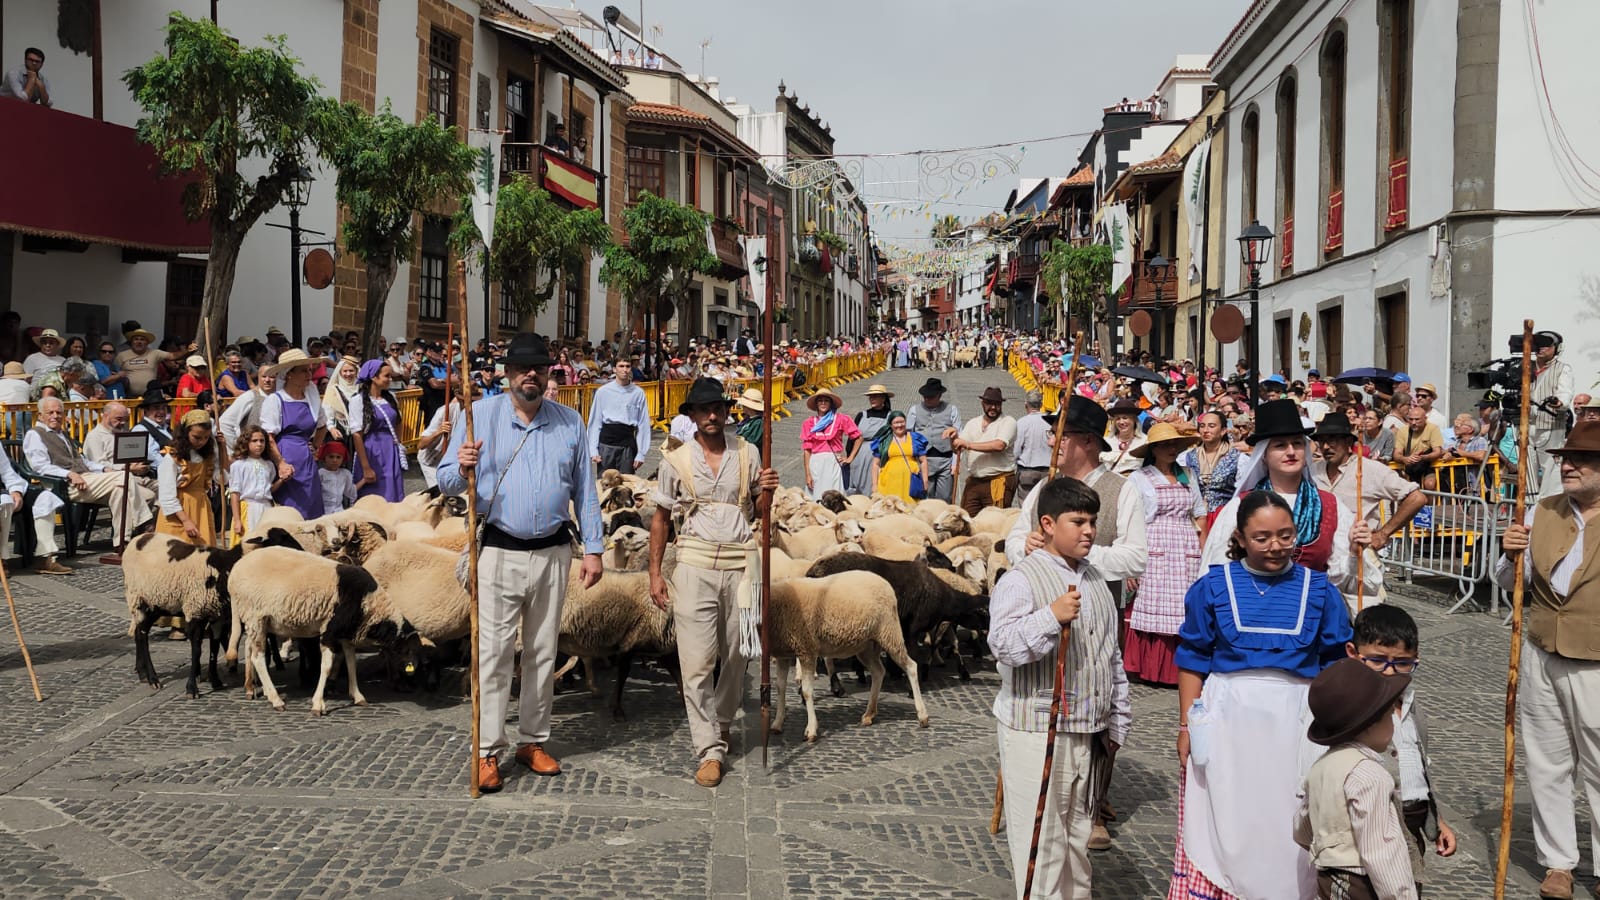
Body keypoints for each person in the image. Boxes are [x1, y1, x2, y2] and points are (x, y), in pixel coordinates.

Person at [438, 332, 604, 793]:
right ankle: (487, 749)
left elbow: (585, 491)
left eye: (539, 368)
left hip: (553, 551)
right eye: (521, 368)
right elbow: (446, 479)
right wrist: (463, 465)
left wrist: (594, 548)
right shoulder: (477, 416)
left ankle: (532, 740)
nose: (530, 375)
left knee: (542, 652)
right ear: (506, 373)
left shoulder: (569, 422)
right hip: (499, 550)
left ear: (549, 374)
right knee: (491, 653)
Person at [1168, 491, 1355, 900]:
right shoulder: (1212, 587)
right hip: (1227, 714)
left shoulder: (1320, 590)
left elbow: (1335, 662)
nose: (1276, 546)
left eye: (1286, 536)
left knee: (1288, 812)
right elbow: (1194, 657)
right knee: (1229, 812)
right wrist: (1187, 723)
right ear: (1240, 537)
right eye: (1263, 537)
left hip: (1296, 718)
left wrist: (1338, 727)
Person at [989, 477, 1131, 899]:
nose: (1089, 531)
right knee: (1043, 839)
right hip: (1036, 727)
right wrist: (1050, 617)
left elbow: (1111, 655)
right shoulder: (1022, 580)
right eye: (1079, 522)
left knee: (1077, 838)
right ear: (1048, 524)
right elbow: (1004, 646)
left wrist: (1117, 718)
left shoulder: (1095, 581)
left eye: (1093, 521)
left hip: (1087, 727)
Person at [648, 377, 779, 788]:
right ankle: (708, 748)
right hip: (695, 563)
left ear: (726, 412)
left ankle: (723, 719)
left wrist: (768, 492)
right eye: (702, 410)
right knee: (697, 660)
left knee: (739, 650)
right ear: (691, 415)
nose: (711, 416)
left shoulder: (748, 453)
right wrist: (655, 572)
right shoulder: (676, 460)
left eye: (717, 409)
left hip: (741, 562)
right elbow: (661, 518)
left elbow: (757, 509)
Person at [1495, 419, 1600, 900]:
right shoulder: (1542, 511)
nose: (1568, 465)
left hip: (1596, 660)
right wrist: (1508, 553)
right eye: (1565, 458)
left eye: (1581, 459)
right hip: (1541, 651)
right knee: (1547, 762)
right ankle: (1558, 863)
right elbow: (1507, 581)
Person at [1203, 400, 1379, 596]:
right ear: (1264, 455)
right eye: (1280, 445)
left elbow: (1359, 585)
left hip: (1312, 615)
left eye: (1297, 443)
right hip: (1253, 613)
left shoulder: (1329, 505)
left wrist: (1355, 553)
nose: (1291, 452)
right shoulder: (1241, 506)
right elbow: (1215, 573)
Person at [1344, 605, 1458, 888]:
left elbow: (1420, 768)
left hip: (1412, 821)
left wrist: (1437, 821)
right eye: (1378, 660)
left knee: (1408, 886)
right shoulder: (1348, 709)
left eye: (1402, 663)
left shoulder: (1411, 705)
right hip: (1370, 823)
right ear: (1353, 655)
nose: (1390, 671)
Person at [1292, 658, 1417, 900]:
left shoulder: (1320, 768)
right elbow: (1381, 850)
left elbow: (1302, 829)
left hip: (1328, 879)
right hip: (1363, 883)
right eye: (1390, 715)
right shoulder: (1370, 775)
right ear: (1370, 725)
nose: (1394, 722)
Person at [23, 396, 155, 573]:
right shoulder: (35, 435)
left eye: (59, 412)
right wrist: (69, 473)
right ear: (40, 415)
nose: (55, 416)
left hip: (86, 478)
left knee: (120, 490)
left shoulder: (62, 434)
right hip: (64, 485)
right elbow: (40, 466)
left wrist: (104, 469)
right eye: (51, 413)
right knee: (124, 477)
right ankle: (145, 523)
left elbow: (83, 461)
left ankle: (121, 543)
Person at [1124, 423, 1207, 687]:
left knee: (1184, 604)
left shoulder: (1188, 474)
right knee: (1155, 601)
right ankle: (1151, 667)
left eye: (1174, 444)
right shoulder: (1140, 478)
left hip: (1185, 545)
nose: (1170, 449)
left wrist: (1201, 545)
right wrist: (1131, 563)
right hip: (1154, 542)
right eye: (1164, 445)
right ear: (1153, 449)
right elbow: (1131, 519)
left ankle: (1181, 667)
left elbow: (1200, 511)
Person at [1312, 412, 1426, 600]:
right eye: (1321, 441)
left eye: (1332, 440)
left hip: (1358, 557)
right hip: (1320, 559)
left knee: (1362, 615)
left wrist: (1383, 534)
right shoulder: (1313, 471)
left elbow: (1417, 498)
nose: (1326, 446)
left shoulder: (1370, 469)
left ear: (1348, 442)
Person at [259, 350, 327, 518]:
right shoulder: (275, 400)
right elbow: (269, 437)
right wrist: (281, 463)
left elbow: (323, 425)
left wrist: (315, 446)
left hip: (306, 459)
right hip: (285, 455)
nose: (309, 374)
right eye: (303, 371)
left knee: (310, 503)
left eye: (310, 370)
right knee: (289, 507)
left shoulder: (311, 398)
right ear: (289, 375)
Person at [348, 360, 407, 503]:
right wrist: (366, 467)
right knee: (373, 494)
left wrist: (397, 443)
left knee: (391, 491)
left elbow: (398, 422)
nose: (390, 379)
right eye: (387, 376)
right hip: (371, 450)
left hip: (390, 450)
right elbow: (357, 434)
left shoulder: (391, 398)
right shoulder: (358, 401)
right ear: (374, 377)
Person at [954, 386, 1018, 515]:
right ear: (983, 403)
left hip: (998, 480)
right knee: (967, 521)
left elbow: (999, 445)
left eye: (997, 404)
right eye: (989, 403)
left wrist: (968, 444)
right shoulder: (973, 422)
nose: (993, 407)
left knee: (994, 524)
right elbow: (958, 448)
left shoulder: (1008, 422)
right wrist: (954, 439)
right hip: (975, 481)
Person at [586, 360, 650, 475]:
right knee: (605, 484)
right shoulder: (603, 392)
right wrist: (593, 449)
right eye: (621, 366)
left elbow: (643, 424)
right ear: (614, 369)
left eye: (627, 366)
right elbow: (595, 421)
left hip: (627, 445)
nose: (624, 370)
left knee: (626, 485)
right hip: (606, 444)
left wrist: (641, 453)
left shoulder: (638, 393)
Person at [415, 378, 476, 490]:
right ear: (459, 399)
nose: (471, 404)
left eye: (474, 401)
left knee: (457, 491)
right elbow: (421, 445)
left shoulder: (476, 414)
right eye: (469, 401)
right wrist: (439, 431)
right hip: (432, 460)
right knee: (441, 492)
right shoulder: (445, 412)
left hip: (452, 459)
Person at [799, 388, 860, 499]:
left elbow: (858, 437)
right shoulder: (808, 423)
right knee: (816, 497)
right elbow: (807, 450)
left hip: (833, 462)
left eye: (826, 400)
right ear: (816, 404)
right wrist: (808, 474)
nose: (823, 403)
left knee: (835, 496)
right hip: (816, 462)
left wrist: (850, 458)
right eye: (820, 401)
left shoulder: (841, 419)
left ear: (831, 403)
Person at [907, 378, 960, 502]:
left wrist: (955, 463)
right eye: (925, 396)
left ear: (939, 395)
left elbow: (958, 437)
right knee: (925, 496)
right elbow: (909, 435)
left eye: (931, 397)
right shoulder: (914, 410)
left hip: (945, 459)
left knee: (945, 498)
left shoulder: (952, 409)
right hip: (924, 459)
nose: (927, 399)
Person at [1179, 410, 1241, 515]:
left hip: (1225, 514)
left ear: (1223, 431)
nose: (1205, 430)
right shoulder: (1187, 457)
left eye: (1211, 426)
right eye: (1202, 426)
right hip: (1197, 515)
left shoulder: (1237, 457)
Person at [228, 426, 278, 542]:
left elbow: (269, 489)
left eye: (262, 441)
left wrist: (281, 480)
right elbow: (235, 494)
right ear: (246, 443)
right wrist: (237, 520)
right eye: (254, 441)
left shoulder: (269, 465)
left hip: (266, 508)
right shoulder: (239, 465)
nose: (259, 444)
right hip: (248, 508)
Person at [869, 411, 927, 502]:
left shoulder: (915, 438)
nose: (899, 425)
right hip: (889, 480)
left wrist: (925, 481)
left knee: (911, 507)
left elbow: (923, 461)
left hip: (910, 481)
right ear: (891, 425)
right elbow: (875, 464)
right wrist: (874, 484)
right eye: (896, 423)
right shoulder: (884, 441)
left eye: (902, 422)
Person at [849, 385, 894, 496]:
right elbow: (852, 438)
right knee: (857, 482)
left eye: (875, 396)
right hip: (860, 454)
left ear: (883, 398)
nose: (872, 399)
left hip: (880, 454)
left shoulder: (890, 416)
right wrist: (850, 456)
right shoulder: (862, 415)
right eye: (870, 396)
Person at [218, 370, 275, 450]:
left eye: (272, 377)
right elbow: (224, 423)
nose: (267, 380)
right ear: (259, 378)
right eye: (264, 376)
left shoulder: (279, 399)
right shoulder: (249, 396)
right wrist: (238, 447)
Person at [1013, 390, 1053, 502]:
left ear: (1026, 404)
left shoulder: (1022, 422)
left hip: (1027, 470)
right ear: (1041, 405)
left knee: (1026, 505)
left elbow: (1016, 449)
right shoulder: (1050, 422)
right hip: (1047, 469)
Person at [1395, 405, 1446, 488]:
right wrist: (1405, 459)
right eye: (1410, 419)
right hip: (1409, 467)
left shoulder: (1433, 428)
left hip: (1428, 464)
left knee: (1430, 484)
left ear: (1425, 419)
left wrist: (1423, 457)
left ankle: (1429, 501)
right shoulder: (1403, 430)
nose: (1413, 422)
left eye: (1417, 419)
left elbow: (1437, 451)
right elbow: (1397, 454)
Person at [115, 328, 169, 397]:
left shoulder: (155, 353)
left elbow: (173, 356)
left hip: (150, 398)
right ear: (132, 342)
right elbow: (114, 372)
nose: (139, 342)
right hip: (127, 397)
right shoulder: (121, 355)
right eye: (136, 339)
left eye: (142, 339)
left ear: (147, 342)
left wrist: (187, 351)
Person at [130, 388, 175, 468]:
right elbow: (152, 455)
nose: (161, 411)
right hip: (158, 474)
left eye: (164, 408)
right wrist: (175, 469)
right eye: (156, 408)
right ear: (146, 410)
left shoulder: (167, 428)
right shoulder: (141, 429)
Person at [321, 356, 361, 443]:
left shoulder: (361, 389)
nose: (348, 374)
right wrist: (332, 429)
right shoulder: (333, 390)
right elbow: (327, 414)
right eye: (345, 371)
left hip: (361, 433)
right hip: (341, 433)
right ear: (340, 372)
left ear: (357, 371)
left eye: (351, 371)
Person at [1101, 399, 1146, 475]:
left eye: (1125, 418)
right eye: (1118, 418)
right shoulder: (1106, 442)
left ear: (1134, 420)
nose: (1121, 422)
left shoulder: (1145, 442)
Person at [315, 441, 356, 512]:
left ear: (342, 459)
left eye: (338, 457)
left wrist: (364, 480)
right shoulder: (320, 473)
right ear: (325, 458)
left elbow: (350, 492)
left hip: (339, 511)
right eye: (331, 457)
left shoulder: (345, 474)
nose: (334, 460)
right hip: (323, 511)